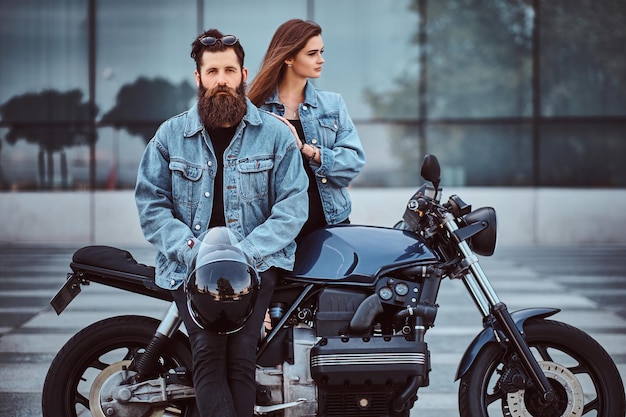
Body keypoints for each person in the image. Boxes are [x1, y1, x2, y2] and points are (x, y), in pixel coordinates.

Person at [134, 28, 309, 417]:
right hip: (189, 266)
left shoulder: (276, 136)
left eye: (229, 70)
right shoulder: (170, 136)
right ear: (198, 78)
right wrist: (194, 253)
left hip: (255, 265)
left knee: (243, 362)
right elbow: (151, 205)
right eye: (212, 72)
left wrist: (241, 256)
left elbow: (292, 207)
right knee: (210, 362)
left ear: (244, 74)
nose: (221, 81)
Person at [248, 19, 366, 239]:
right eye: (312, 54)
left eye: (321, 52)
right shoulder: (256, 108)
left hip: (331, 224)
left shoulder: (332, 104)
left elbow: (353, 162)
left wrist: (307, 150)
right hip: (276, 228)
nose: (321, 60)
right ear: (289, 57)